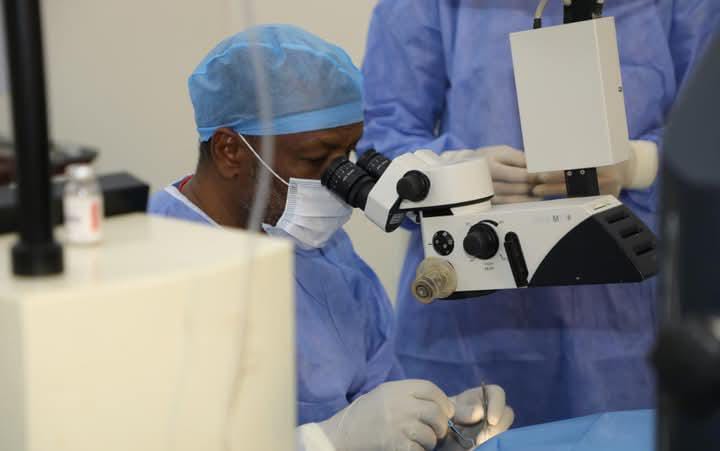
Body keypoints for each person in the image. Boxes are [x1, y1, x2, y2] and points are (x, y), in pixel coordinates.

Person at [148, 25, 514, 451]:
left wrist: (438, 430)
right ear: (230, 150)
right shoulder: (148, 271)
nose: (339, 180)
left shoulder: (328, 257)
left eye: (347, 154)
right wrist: (323, 441)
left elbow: (374, 400)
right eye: (315, 158)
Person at [359, 0, 720, 427]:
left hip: (624, 318)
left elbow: (708, 130)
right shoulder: (429, 7)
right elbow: (381, 144)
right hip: (467, 319)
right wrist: (456, 174)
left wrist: (637, 165)